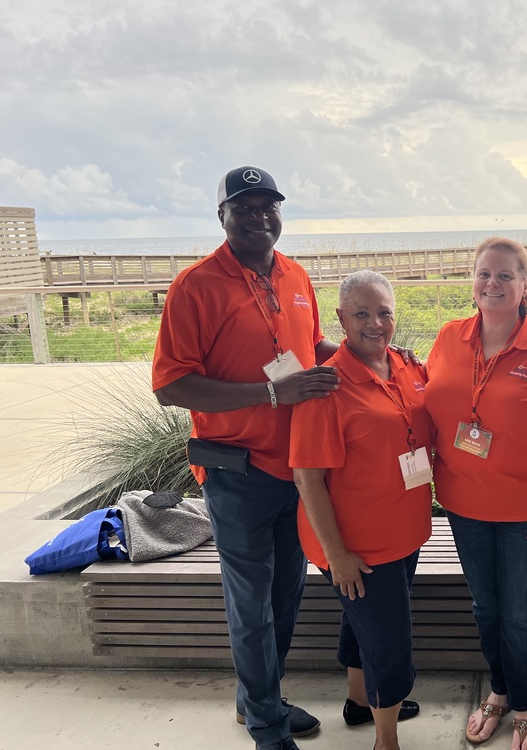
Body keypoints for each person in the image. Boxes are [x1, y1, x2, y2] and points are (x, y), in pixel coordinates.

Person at [152, 166, 338, 750]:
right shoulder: (195, 286)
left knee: (286, 593)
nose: (259, 216)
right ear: (223, 217)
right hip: (237, 472)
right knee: (251, 603)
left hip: (299, 469)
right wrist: (270, 393)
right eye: (245, 207)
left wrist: (368, 349)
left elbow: (307, 350)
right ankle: (266, 724)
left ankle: (259, 697)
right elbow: (170, 384)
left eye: (268, 205)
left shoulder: (296, 275)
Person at [424, 238, 527, 750]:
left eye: (505, 276)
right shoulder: (450, 337)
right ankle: (499, 691)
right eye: (484, 274)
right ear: (472, 281)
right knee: (485, 608)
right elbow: (424, 401)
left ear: (524, 286)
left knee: (521, 611)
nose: (492, 284)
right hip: (463, 506)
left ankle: (526, 703)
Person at [290, 270, 429, 750]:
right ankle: (385, 738)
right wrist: (338, 555)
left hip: (405, 530)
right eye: (362, 314)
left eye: (385, 312)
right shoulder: (327, 386)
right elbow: (306, 477)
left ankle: (357, 702)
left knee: (363, 622)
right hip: (359, 544)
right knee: (389, 643)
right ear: (341, 319)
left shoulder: (406, 367)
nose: (376, 323)